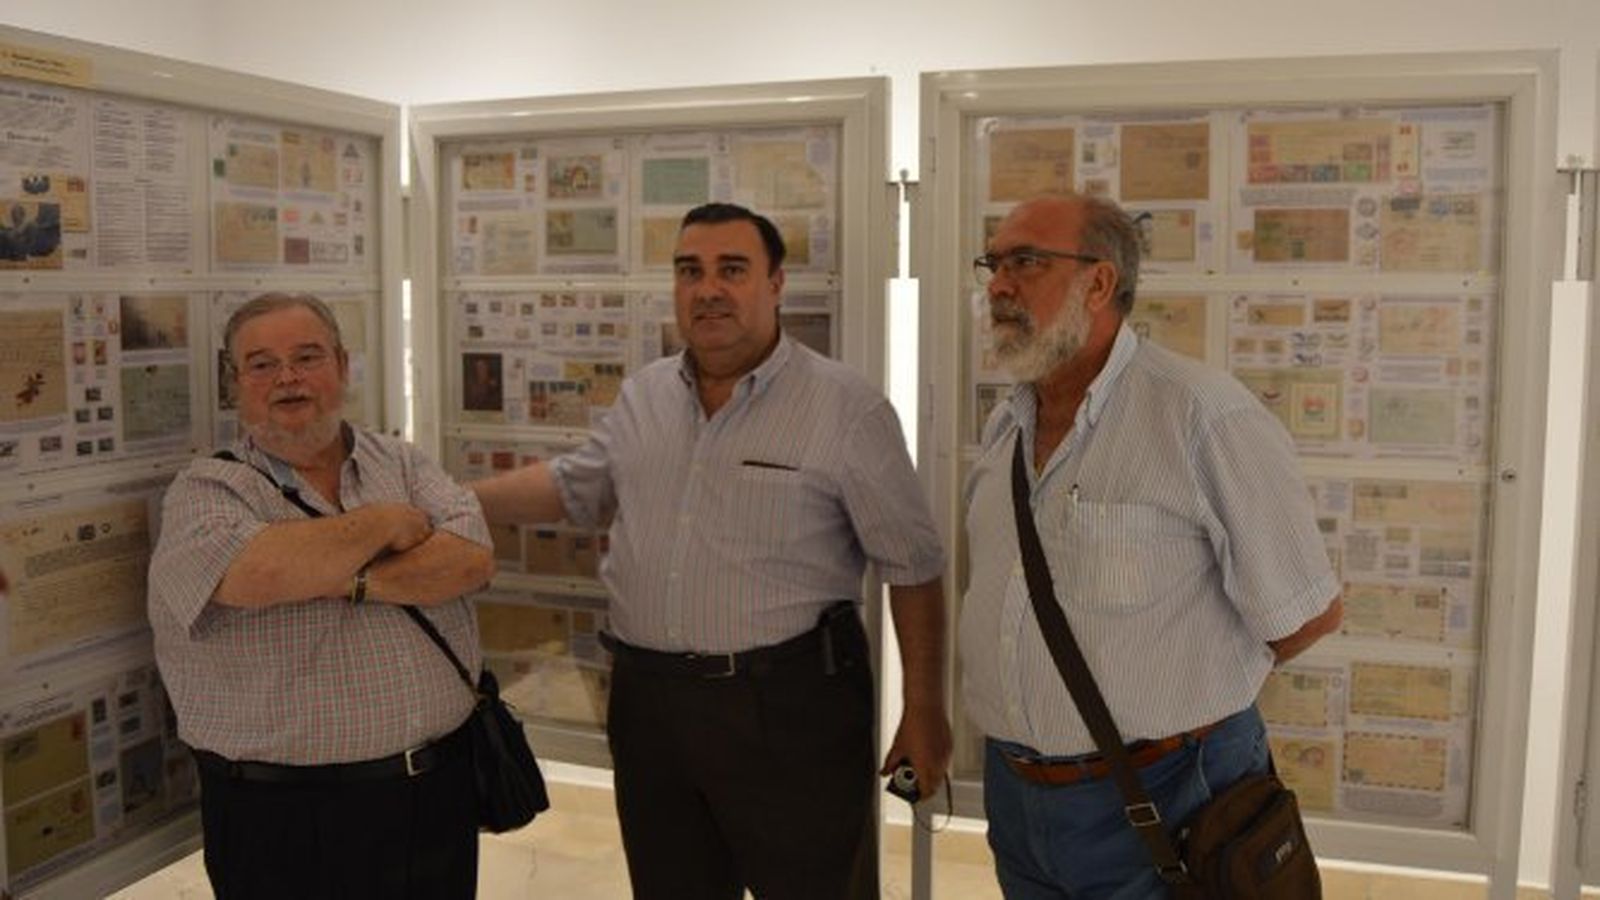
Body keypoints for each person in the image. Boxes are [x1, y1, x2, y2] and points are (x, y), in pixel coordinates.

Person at [471, 202, 951, 899]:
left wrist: (925, 711)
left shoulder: (846, 409)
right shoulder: (645, 396)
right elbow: (575, 488)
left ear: (776, 284)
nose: (708, 290)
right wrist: (450, 500)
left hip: (789, 707)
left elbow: (913, 566)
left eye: (733, 270)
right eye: (690, 272)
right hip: (650, 705)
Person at [959, 194, 1343, 899]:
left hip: (1171, 799)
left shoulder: (1202, 415)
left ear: (1099, 282)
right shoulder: (1006, 426)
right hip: (1019, 800)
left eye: (1026, 262)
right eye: (994, 263)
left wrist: (1192, 690)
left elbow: (1305, 616)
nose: (998, 284)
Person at [147, 293, 495, 900]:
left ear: (342, 366)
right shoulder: (206, 490)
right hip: (282, 818)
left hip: (436, 797)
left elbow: (469, 559)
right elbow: (250, 574)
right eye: (261, 363)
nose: (287, 377)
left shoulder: (403, 461)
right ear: (236, 383)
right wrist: (382, 525)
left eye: (307, 356)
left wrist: (342, 577)